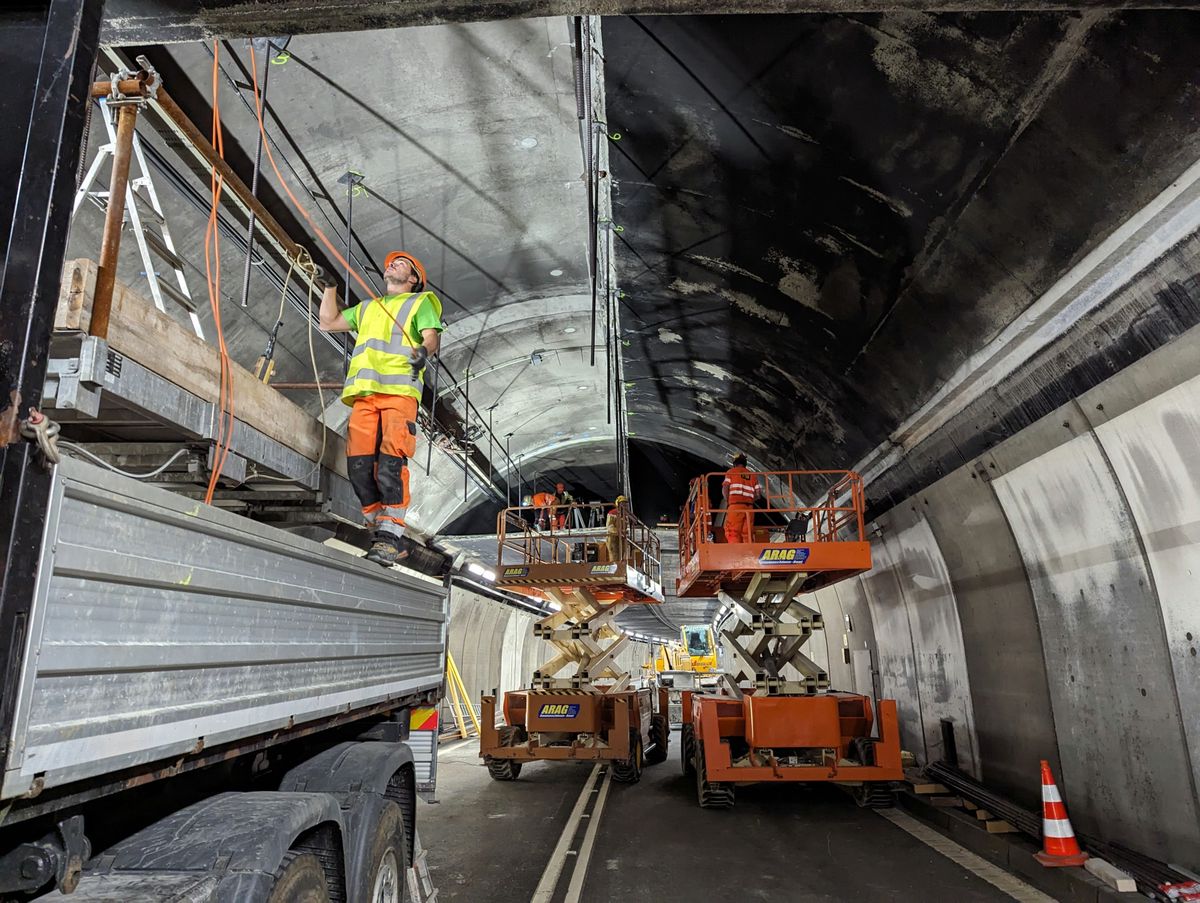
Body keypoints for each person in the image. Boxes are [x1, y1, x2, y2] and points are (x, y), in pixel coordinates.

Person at [319, 251, 443, 566]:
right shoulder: (368, 308)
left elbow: (431, 338)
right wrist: (330, 287)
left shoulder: (420, 302)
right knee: (359, 469)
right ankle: (380, 530)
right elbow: (328, 322)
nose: (391, 264)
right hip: (365, 394)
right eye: (389, 262)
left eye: (401, 263)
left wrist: (422, 352)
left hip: (399, 393)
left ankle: (389, 539)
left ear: (414, 279)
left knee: (390, 465)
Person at [722, 452, 759, 544]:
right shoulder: (753, 475)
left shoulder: (731, 472)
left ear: (734, 463)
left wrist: (728, 501)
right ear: (745, 463)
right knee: (747, 533)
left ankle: (736, 554)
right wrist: (749, 500)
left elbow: (725, 489)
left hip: (735, 507)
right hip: (749, 508)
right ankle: (748, 554)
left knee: (733, 532)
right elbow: (758, 495)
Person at [606, 495, 629, 563]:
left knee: (622, 555)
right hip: (613, 538)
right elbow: (610, 526)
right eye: (623, 504)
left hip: (621, 538)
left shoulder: (625, 515)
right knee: (614, 555)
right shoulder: (612, 513)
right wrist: (619, 531)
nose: (624, 506)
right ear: (618, 504)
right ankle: (615, 568)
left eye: (625, 504)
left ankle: (621, 567)